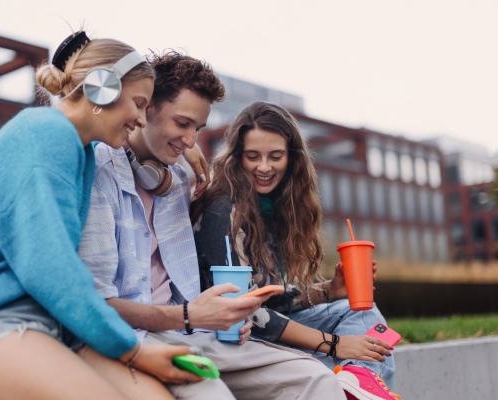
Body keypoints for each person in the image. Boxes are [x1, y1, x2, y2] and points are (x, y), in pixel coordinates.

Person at [0, 32, 204, 400]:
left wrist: (183, 150)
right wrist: (133, 350)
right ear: (102, 88)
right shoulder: (44, 133)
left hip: (48, 326)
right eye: (137, 103)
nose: (139, 116)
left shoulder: (81, 151)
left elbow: (132, 153)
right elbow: (49, 266)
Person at [78, 51, 347, 400]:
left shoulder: (177, 179)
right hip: (140, 336)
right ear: (145, 108)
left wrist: (222, 316)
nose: (191, 141)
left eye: (198, 128)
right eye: (182, 123)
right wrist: (191, 315)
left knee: (317, 379)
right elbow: (98, 304)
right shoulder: (98, 173)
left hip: (199, 333)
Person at [190, 101, 400, 400]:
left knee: (362, 311)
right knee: (354, 352)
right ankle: (358, 381)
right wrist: (333, 344)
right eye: (253, 156)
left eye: (275, 156)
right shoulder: (222, 210)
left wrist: (329, 290)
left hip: (266, 325)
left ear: (291, 158)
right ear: (237, 158)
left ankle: (358, 379)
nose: (264, 167)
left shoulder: (276, 206)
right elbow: (249, 310)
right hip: (233, 336)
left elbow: (271, 297)